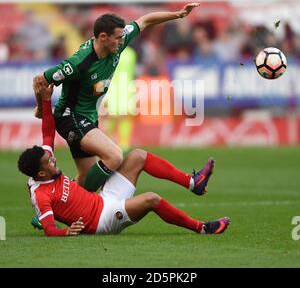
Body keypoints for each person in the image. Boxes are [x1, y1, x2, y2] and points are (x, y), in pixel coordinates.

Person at [21, 78, 230, 236]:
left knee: (138, 156)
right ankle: (202, 228)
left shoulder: (44, 163)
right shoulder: (40, 194)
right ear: (40, 173)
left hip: (104, 199)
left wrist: (46, 100)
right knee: (151, 199)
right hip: (102, 220)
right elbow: (50, 230)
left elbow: (48, 132)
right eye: (48, 162)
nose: (53, 158)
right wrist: (66, 232)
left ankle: (194, 183)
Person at [33, 3, 200, 189]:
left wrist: (178, 15)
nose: (122, 42)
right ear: (103, 37)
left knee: (86, 179)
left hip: (88, 117)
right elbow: (41, 80)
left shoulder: (117, 43)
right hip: (70, 117)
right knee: (114, 156)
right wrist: (41, 107)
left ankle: (58, 208)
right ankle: (77, 204)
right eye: (118, 38)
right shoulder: (78, 63)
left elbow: (145, 21)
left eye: (122, 37)